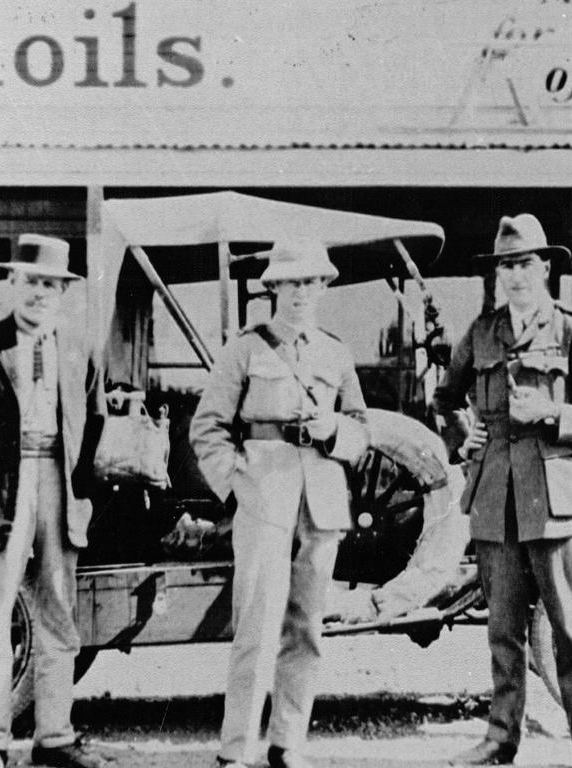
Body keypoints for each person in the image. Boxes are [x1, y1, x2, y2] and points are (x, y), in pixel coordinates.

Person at [432, 215, 572, 768]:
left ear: (545, 268)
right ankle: (500, 740)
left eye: (524, 265)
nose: (514, 276)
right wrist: (467, 436)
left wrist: (551, 413)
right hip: (496, 500)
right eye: (504, 267)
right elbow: (445, 400)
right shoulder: (482, 332)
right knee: (502, 632)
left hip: (557, 503)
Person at [190, 240, 371, 768]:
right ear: (273, 288)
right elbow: (208, 428)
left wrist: (333, 428)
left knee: (307, 628)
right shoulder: (246, 348)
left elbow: (361, 429)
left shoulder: (336, 351)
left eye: (311, 283)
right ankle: (236, 750)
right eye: (291, 283)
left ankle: (287, 743)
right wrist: (236, 486)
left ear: (323, 288)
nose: (301, 293)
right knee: (257, 626)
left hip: (322, 500)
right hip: (264, 497)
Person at [0, 234, 108, 768]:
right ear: (13, 283)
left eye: (51, 285)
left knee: (59, 615)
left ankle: (53, 737)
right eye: (31, 282)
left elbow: (93, 422)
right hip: (1, 491)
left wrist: (73, 487)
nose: (40, 293)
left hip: (58, 482)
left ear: (64, 292)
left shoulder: (79, 348)